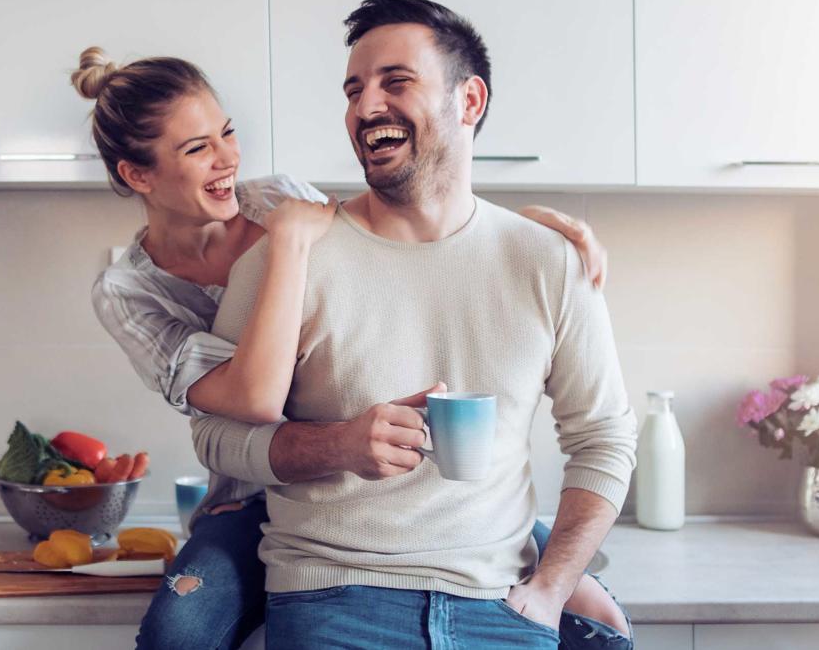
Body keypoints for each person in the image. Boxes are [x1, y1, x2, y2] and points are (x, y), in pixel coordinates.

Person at [80, 47, 624, 649]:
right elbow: (251, 400)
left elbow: (409, 216)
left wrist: (530, 237)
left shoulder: (277, 198)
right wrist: (286, 246)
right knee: (175, 635)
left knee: (601, 622)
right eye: (196, 149)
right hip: (253, 496)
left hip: (386, 507)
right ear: (138, 174)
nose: (227, 158)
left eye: (227, 134)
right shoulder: (131, 290)